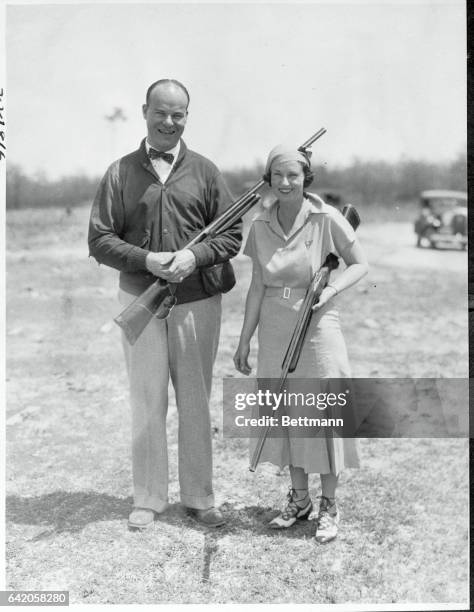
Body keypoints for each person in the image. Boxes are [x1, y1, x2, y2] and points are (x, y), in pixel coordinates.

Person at [88, 79, 241, 530]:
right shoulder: (119, 172)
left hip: (198, 300)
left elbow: (232, 234)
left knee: (196, 400)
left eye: (179, 114)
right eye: (161, 112)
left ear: (187, 118)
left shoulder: (208, 171)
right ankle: (148, 497)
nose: (169, 122)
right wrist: (146, 259)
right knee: (146, 400)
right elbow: (99, 239)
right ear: (145, 112)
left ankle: (199, 496)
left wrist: (195, 255)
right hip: (141, 299)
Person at [233, 145, 368, 543]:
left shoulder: (326, 218)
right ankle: (299, 499)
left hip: (318, 324)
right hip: (275, 328)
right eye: (278, 175)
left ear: (305, 178)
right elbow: (257, 285)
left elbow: (360, 263)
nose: (286, 182)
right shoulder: (259, 225)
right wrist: (244, 341)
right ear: (268, 179)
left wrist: (331, 291)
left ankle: (329, 505)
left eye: (294, 175)